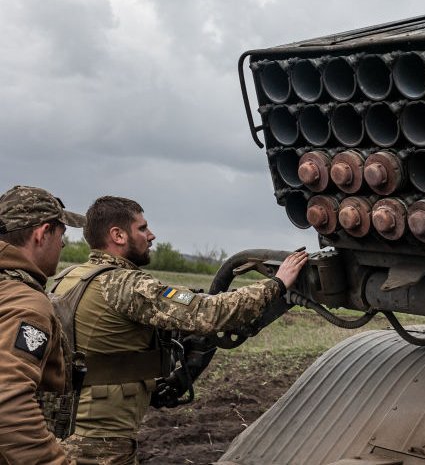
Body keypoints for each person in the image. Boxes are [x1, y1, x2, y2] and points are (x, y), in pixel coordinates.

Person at [57, 196, 308, 464]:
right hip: (101, 443)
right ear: (117, 235)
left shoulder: (72, 275)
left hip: (68, 428)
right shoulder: (124, 285)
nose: (151, 236)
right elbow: (209, 312)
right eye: (142, 228)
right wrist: (278, 284)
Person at [0, 185, 87, 464]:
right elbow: (7, 401)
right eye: (61, 234)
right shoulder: (26, 304)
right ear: (42, 234)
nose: (62, 244)